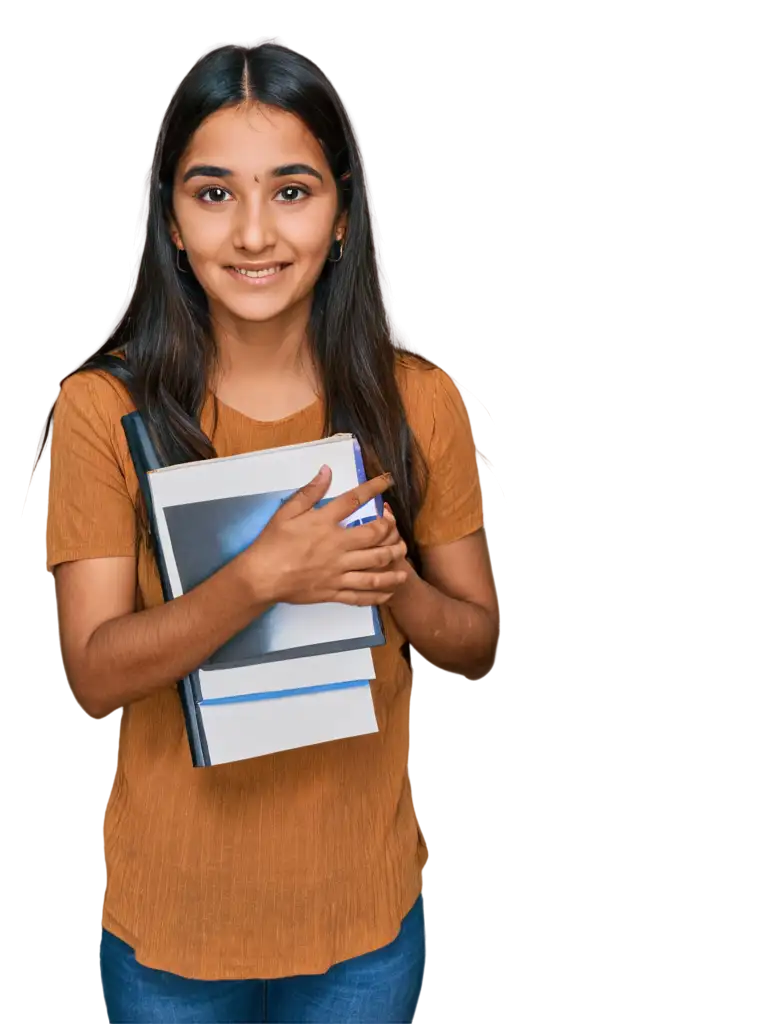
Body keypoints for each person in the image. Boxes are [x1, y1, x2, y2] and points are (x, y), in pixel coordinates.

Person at [31, 41, 497, 1024]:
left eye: (290, 191)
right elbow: (96, 668)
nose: (253, 233)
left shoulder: (419, 401)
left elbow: (473, 632)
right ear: (170, 218)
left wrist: (385, 580)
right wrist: (263, 575)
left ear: (339, 217)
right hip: (171, 924)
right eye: (214, 194)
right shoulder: (102, 409)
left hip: (363, 922)